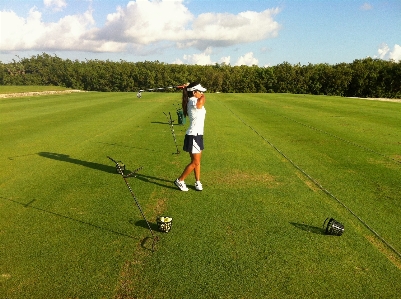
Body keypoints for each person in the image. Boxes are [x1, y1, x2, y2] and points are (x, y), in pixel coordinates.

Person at [174, 82, 207, 191]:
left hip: (197, 135)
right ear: (194, 92)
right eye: (200, 91)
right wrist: (201, 95)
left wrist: (188, 87)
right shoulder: (193, 101)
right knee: (195, 162)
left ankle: (197, 182)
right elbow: (200, 104)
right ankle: (180, 180)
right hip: (193, 136)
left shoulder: (193, 99)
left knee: (197, 161)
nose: (202, 93)